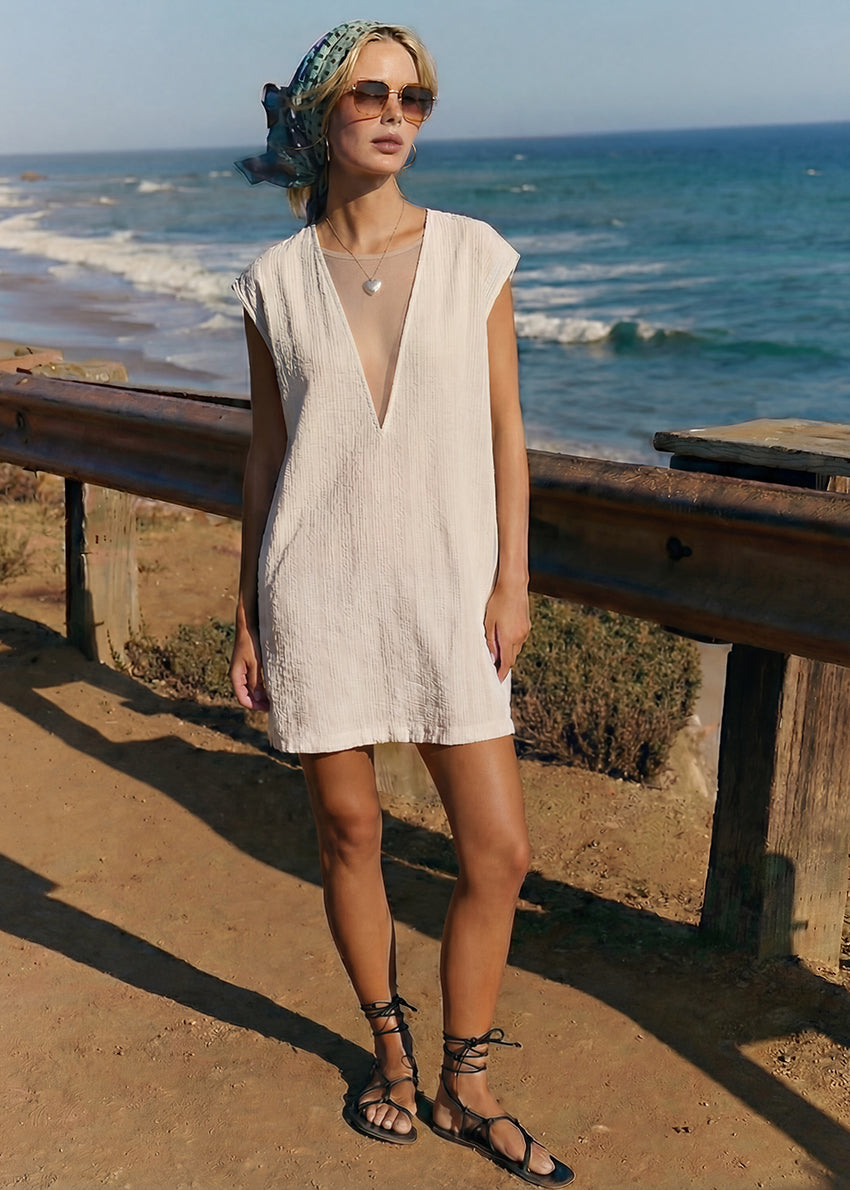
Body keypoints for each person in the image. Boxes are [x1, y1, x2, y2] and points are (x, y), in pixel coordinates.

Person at [230, 20, 573, 1188]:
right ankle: (389, 1051)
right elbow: (268, 458)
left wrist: (510, 579)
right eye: (372, 93)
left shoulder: (478, 254)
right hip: (313, 588)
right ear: (323, 113)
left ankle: (464, 1079)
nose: (397, 112)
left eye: (415, 96)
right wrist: (245, 610)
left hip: (447, 589)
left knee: (499, 848)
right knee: (352, 833)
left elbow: (505, 434)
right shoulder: (271, 282)